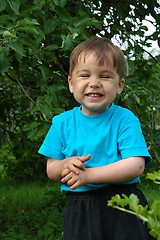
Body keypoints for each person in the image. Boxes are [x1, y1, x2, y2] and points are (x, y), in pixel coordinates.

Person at [38, 36, 154, 240]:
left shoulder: (124, 119)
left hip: (123, 202)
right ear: (71, 83)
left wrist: (88, 176)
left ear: (120, 85)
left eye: (105, 76)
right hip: (80, 206)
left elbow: (135, 165)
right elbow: (52, 168)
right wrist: (65, 164)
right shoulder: (62, 123)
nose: (94, 83)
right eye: (84, 75)